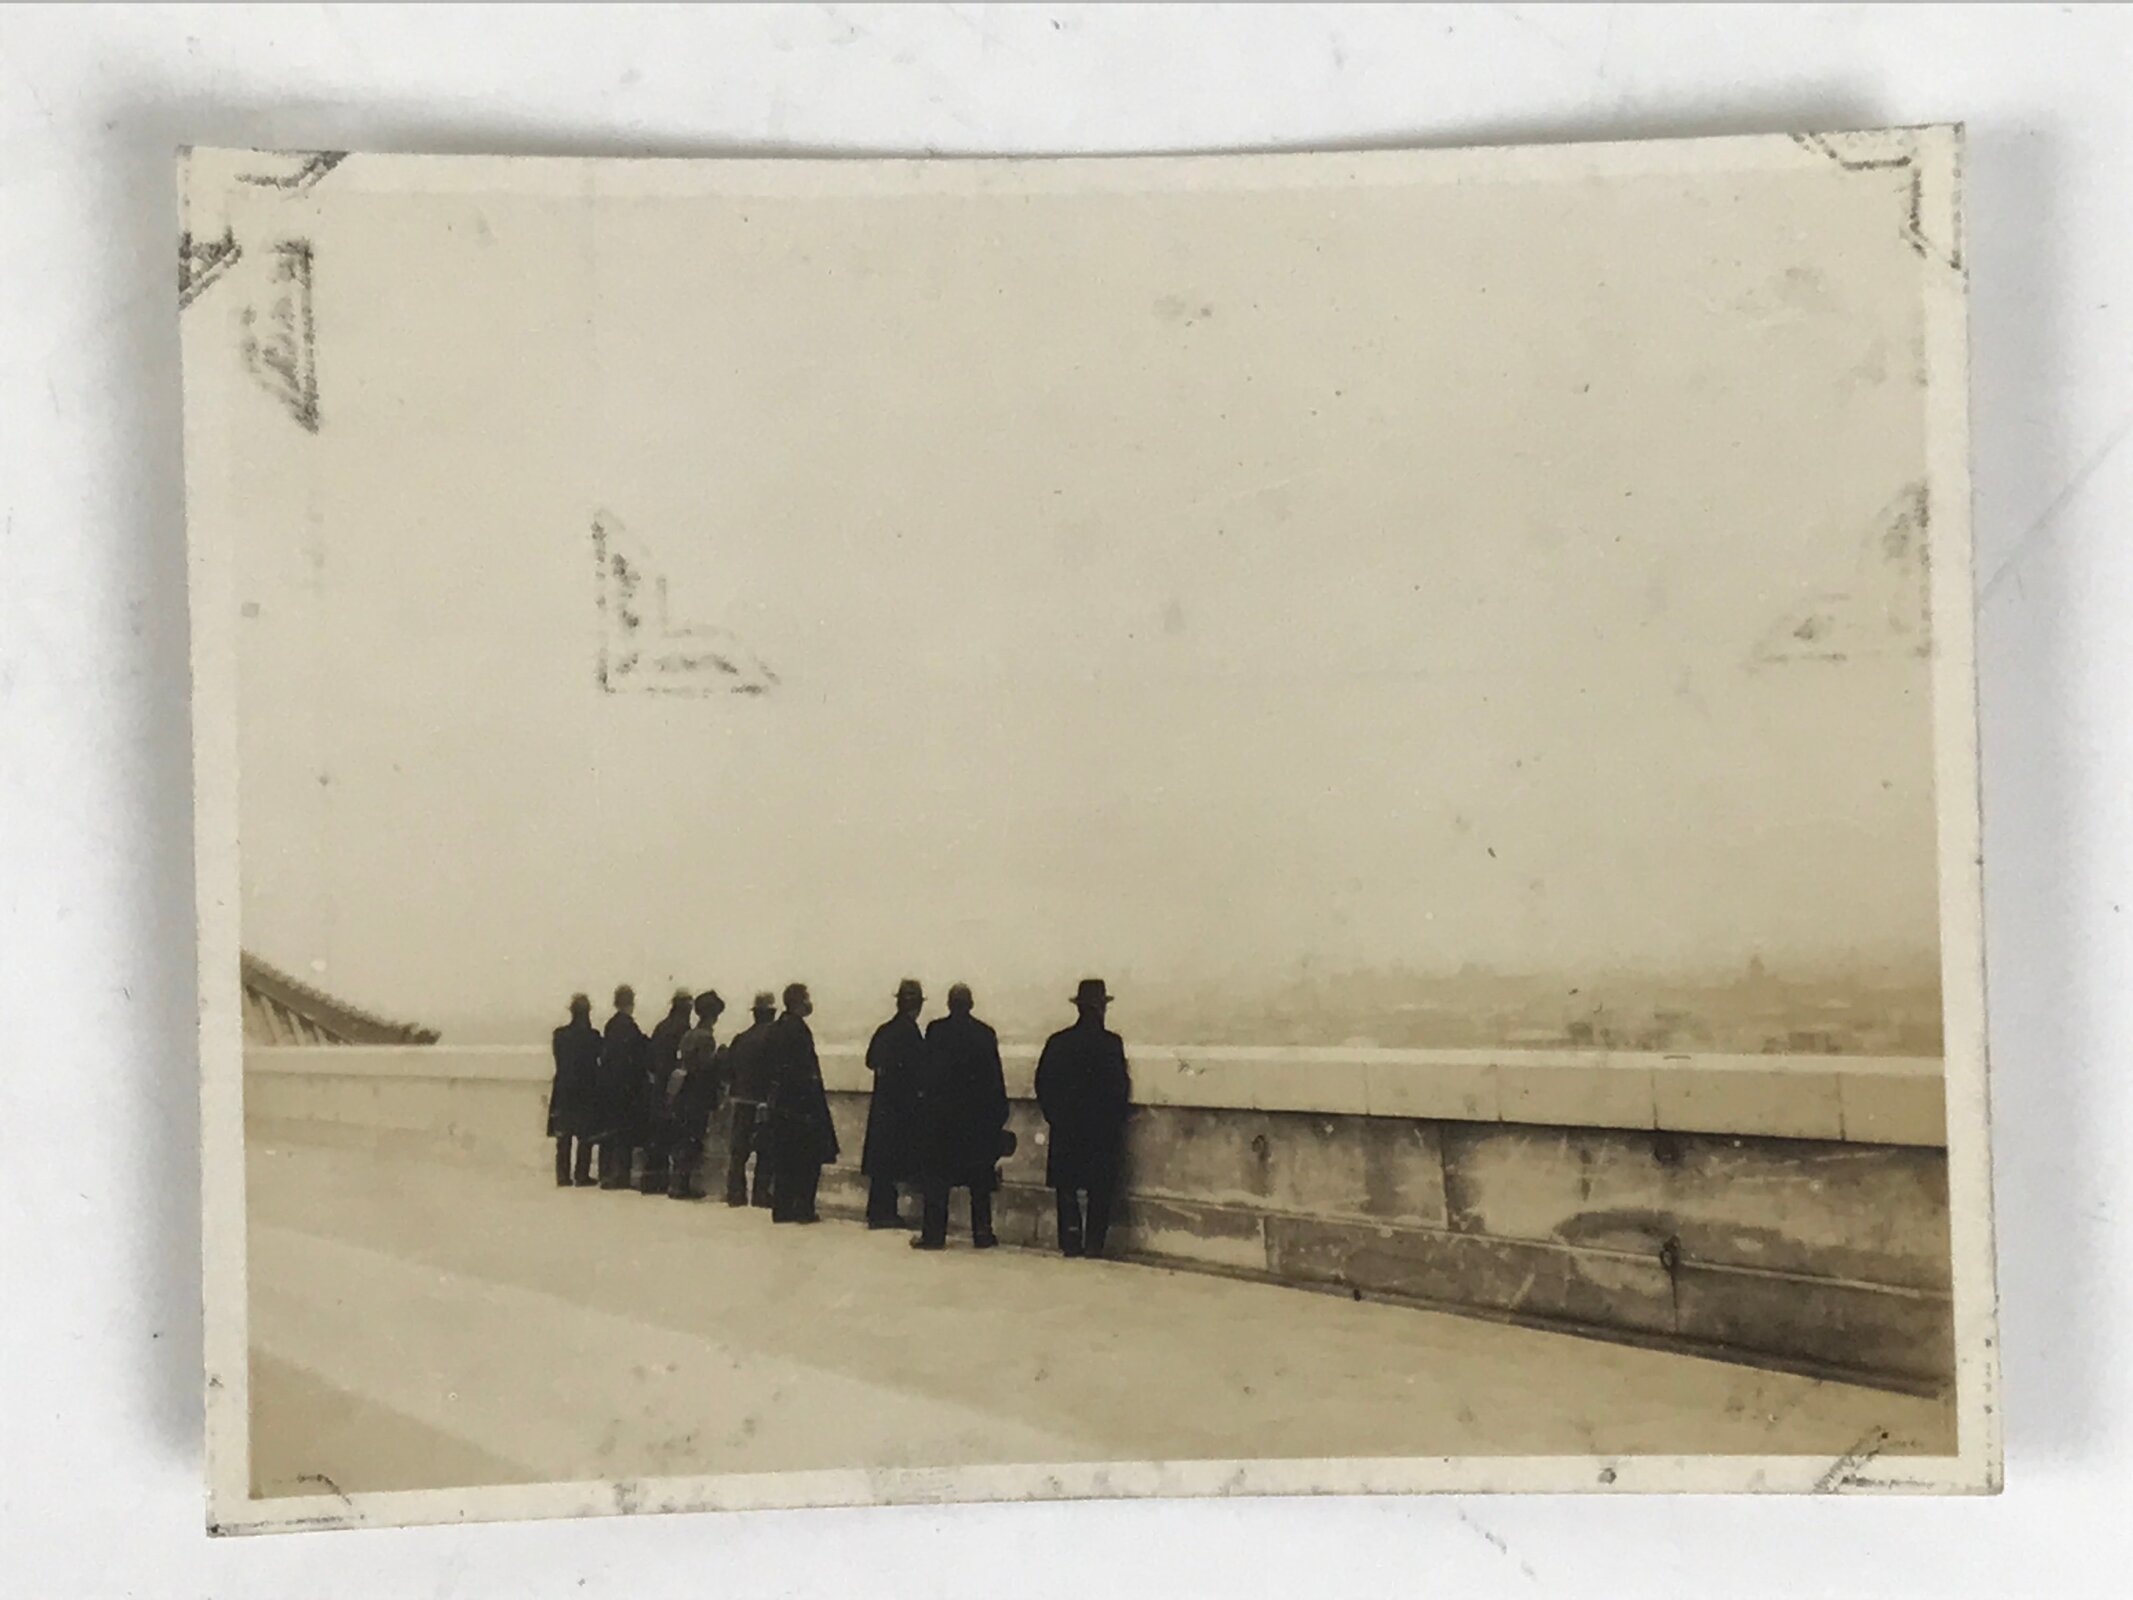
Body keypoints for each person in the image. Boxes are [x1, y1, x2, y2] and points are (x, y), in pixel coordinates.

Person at [1034, 978, 1132, 1259]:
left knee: (1067, 1187)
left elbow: (1043, 1084)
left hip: (1067, 1128)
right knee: (1100, 1191)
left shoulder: (1058, 1042)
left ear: (1078, 1008)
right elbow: (1120, 1089)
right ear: (1101, 1008)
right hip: (1101, 1131)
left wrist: (1055, 1117)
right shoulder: (1112, 1044)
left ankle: (1071, 1241)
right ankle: (1094, 1244)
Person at [912, 982, 1009, 1250]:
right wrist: (998, 1117)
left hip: (942, 1122)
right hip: (976, 1122)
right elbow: (994, 1081)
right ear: (971, 1005)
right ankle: (982, 1233)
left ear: (948, 1004)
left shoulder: (936, 1031)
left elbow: (926, 1075)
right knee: (979, 1180)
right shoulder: (985, 1034)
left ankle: (933, 1235)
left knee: (937, 1180)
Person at [764, 982, 837, 1223]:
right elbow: (806, 1072)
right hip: (801, 1106)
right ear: (798, 1002)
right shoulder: (799, 1030)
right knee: (807, 1159)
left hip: (780, 1105)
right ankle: (803, 1209)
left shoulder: (776, 1029)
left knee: (784, 1160)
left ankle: (782, 1208)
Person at [860, 978, 929, 1228]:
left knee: (881, 1164)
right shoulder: (911, 1033)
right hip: (903, 1108)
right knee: (893, 1161)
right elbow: (921, 1068)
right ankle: (884, 1213)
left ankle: (877, 1211)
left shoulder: (884, 1030)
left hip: (883, 1105)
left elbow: (870, 1061)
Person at [721, 992, 779, 1209]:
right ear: (772, 1013)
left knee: (739, 1153)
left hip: (741, 1101)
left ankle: (735, 1194)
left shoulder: (741, 1039)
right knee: (765, 1153)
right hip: (764, 1102)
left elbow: (728, 1072)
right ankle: (761, 1195)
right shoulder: (774, 1038)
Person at [666, 990, 725, 1199]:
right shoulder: (706, 1038)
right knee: (693, 1140)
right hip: (697, 1095)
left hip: (683, 1093)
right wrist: (720, 1058)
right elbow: (706, 1068)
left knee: (683, 1139)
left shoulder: (689, 1035)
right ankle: (682, 1185)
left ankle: (677, 1183)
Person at [639, 988, 695, 1195]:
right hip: (673, 1090)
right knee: (674, 1138)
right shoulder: (683, 1028)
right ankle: (673, 1184)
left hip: (657, 1088)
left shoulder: (662, 1026)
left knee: (656, 1140)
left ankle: (652, 1181)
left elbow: (650, 1059)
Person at [595, 985, 649, 1189]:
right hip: (626, 1086)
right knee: (623, 1133)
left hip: (609, 1085)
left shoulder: (610, 1025)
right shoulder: (629, 1026)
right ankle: (619, 1175)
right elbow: (638, 1054)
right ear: (630, 1002)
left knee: (609, 1133)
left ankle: (606, 1173)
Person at [548, 993, 602, 1187]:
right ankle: (582, 1174)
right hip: (585, 1088)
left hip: (563, 1087)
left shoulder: (560, 1035)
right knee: (585, 1135)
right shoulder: (593, 1037)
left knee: (563, 1136)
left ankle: (562, 1176)